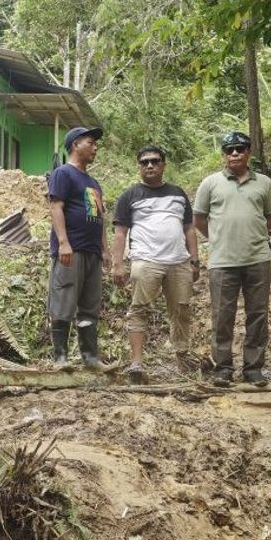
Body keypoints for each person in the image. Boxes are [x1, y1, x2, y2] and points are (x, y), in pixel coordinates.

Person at [193, 132, 271, 387]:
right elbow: (199, 219)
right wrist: (218, 239)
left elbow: (270, 219)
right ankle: (223, 369)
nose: (234, 154)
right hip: (222, 261)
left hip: (257, 259)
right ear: (224, 154)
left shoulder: (264, 183)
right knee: (222, 316)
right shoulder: (210, 183)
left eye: (240, 149)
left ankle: (253, 369)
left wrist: (252, 237)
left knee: (258, 314)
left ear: (248, 152)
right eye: (229, 150)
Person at [111, 146, 199, 375]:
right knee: (139, 309)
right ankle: (137, 364)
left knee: (181, 310)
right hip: (145, 259)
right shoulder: (129, 196)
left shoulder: (178, 194)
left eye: (155, 161)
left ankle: (182, 360)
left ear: (163, 165)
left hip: (179, 261)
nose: (149, 165)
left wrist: (195, 260)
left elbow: (189, 228)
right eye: (144, 162)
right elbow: (120, 233)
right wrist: (118, 264)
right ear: (139, 166)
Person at [48, 126, 109, 370]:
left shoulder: (93, 182)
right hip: (70, 250)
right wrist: (63, 242)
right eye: (90, 143)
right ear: (75, 145)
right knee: (63, 299)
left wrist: (103, 249)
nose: (95, 148)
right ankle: (60, 357)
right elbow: (56, 207)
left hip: (92, 251)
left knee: (90, 305)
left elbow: (100, 216)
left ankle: (90, 358)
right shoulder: (63, 173)